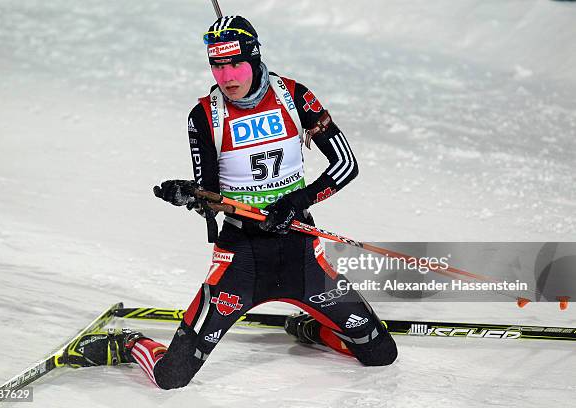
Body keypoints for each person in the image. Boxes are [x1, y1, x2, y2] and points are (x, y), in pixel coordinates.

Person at [63, 15, 397, 389]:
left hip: (303, 254)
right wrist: (189, 193)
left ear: (254, 57)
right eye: (217, 66)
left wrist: (296, 200)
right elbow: (211, 195)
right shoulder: (205, 115)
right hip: (242, 261)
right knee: (170, 377)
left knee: (380, 353)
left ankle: (310, 330)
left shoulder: (294, 96)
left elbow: (346, 165)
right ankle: (130, 344)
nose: (227, 78)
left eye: (235, 63)